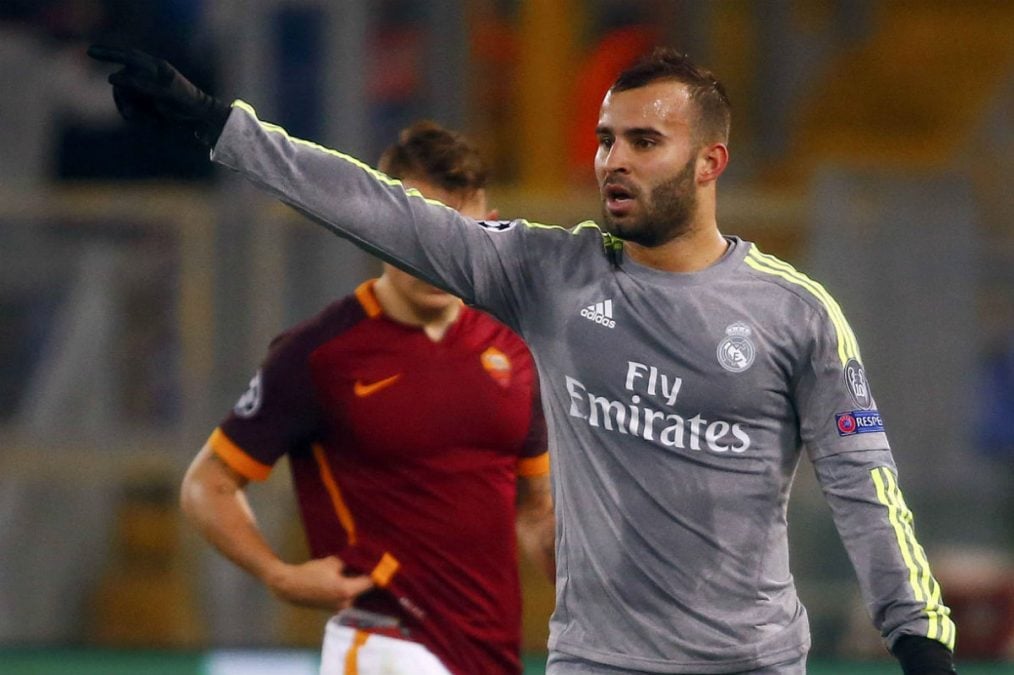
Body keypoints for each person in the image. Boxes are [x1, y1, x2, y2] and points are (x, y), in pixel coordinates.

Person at [90, 45, 959, 675]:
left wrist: (918, 636)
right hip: (596, 660)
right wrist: (220, 127)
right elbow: (380, 209)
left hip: (753, 663)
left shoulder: (796, 313)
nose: (613, 160)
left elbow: (864, 488)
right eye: (605, 138)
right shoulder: (550, 272)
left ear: (710, 163)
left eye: (643, 142)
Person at [178, 121, 555, 675]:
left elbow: (533, 510)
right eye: (419, 232)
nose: (437, 253)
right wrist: (278, 574)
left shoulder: (516, 354)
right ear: (375, 225)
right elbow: (207, 484)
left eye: (458, 233)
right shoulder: (320, 354)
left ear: (488, 226)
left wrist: (594, 586)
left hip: (491, 658)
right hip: (383, 644)